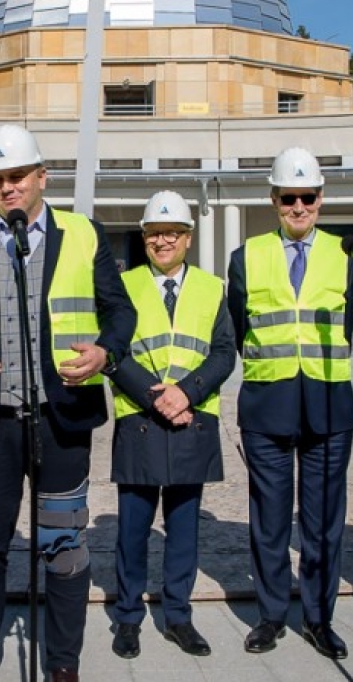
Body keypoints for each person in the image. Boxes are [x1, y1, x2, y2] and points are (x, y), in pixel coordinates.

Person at [0, 124, 135, 682]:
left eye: (17, 176)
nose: (8, 188)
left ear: (43, 177)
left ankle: (62, 663)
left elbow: (121, 313)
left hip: (62, 423)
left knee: (63, 547)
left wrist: (106, 354)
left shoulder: (83, 234)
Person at [226, 146, 353, 660]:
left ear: (321, 199)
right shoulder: (247, 257)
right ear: (273, 200)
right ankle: (271, 614)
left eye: (307, 197)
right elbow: (240, 329)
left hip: (329, 406)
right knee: (271, 518)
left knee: (324, 521)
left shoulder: (346, 254)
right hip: (267, 405)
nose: (298, 206)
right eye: (288, 198)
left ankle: (320, 618)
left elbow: (344, 327)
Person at [107, 191, 235, 661]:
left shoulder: (210, 287)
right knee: (132, 532)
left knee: (184, 530)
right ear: (143, 238)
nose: (163, 240)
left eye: (172, 233)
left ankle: (178, 616)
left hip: (190, 420)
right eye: (154, 233)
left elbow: (225, 352)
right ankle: (127, 617)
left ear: (188, 238)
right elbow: (113, 353)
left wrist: (187, 393)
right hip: (142, 419)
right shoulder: (123, 286)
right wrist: (159, 398)